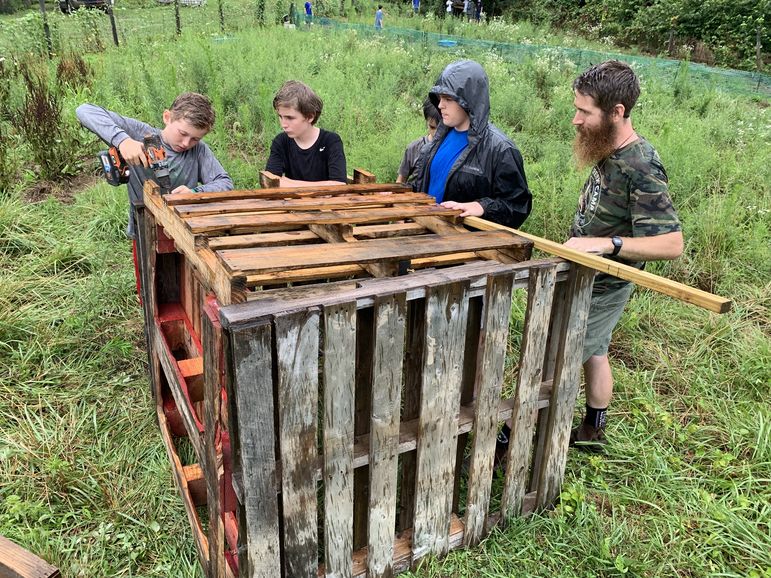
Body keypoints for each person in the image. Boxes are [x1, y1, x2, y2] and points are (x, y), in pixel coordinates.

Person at [565, 60, 683, 451]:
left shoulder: (641, 164)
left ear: (617, 113)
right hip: (585, 277)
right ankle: (593, 431)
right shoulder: (607, 148)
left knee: (555, 362)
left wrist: (606, 244)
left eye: (585, 111)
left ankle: (508, 438)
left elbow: (671, 243)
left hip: (604, 286)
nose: (576, 119)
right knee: (596, 352)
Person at [76, 93, 233, 295]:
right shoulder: (140, 134)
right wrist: (123, 141)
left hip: (186, 232)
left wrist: (194, 192)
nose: (186, 143)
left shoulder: (199, 151)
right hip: (144, 230)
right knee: (150, 290)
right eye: (182, 133)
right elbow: (84, 110)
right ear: (167, 117)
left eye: (195, 138)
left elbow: (225, 183)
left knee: (186, 288)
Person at [411, 59, 532, 229]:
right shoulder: (439, 137)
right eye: (439, 98)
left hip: (465, 246)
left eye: (448, 99)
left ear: (467, 100)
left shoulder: (500, 149)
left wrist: (482, 206)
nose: (440, 105)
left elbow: (518, 205)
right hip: (427, 233)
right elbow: (424, 184)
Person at [265, 80, 347, 187]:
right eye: (281, 117)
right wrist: (323, 187)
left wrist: (287, 182)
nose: (283, 124)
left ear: (310, 116)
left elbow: (339, 185)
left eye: (290, 118)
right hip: (291, 203)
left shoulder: (331, 141)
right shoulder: (281, 142)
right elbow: (271, 182)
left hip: (326, 203)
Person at [396, 97, 441, 184]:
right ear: (426, 122)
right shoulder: (414, 148)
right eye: (432, 127)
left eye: (441, 129)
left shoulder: (450, 149)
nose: (436, 133)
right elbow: (400, 181)